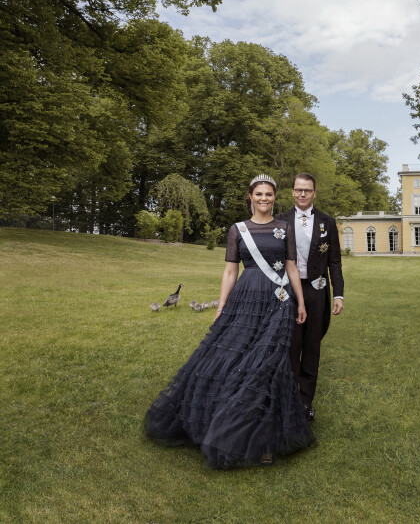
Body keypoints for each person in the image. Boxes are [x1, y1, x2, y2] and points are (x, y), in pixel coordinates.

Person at [144, 174, 314, 468]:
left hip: (278, 302)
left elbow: (291, 268)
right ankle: (223, 423)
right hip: (245, 300)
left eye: (269, 195)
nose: (264, 199)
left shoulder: (285, 228)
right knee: (231, 358)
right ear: (250, 197)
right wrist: (222, 306)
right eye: (259, 194)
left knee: (269, 363)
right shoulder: (238, 230)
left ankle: (264, 439)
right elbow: (229, 272)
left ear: (275, 198)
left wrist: (300, 301)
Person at [278, 173, 344, 422]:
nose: (302, 194)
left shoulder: (327, 221)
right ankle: (290, 396)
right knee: (291, 345)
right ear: (293, 192)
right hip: (289, 291)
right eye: (298, 190)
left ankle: (306, 402)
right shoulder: (280, 219)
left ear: (314, 192)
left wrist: (338, 293)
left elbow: (335, 261)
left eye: (307, 190)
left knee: (312, 347)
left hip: (317, 291)